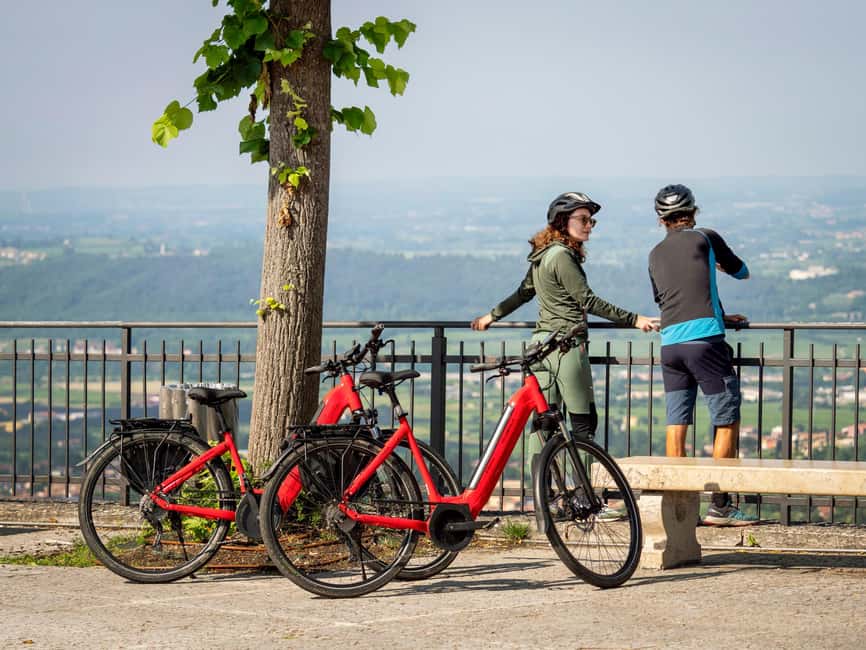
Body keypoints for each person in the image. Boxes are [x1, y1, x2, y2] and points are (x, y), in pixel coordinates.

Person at [471, 191, 658, 442]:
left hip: (539, 348)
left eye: (591, 221)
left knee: (544, 425)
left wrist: (491, 316)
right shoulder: (561, 256)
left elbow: (523, 293)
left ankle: (538, 469)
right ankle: (583, 470)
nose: (589, 226)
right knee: (583, 423)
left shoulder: (543, 255)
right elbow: (587, 300)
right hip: (565, 347)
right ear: (562, 221)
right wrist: (634, 319)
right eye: (583, 219)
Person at [648, 183, 756, 526]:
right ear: (693, 212)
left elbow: (670, 298)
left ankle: (679, 509)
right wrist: (718, 266)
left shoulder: (654, 253)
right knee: (726, 417)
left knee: (676, 423)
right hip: (705, 343)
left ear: (661, 220)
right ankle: (720, 505)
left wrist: (720, 314)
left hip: (670, 345)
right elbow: (742, 271)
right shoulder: (706, 237)